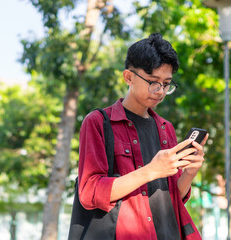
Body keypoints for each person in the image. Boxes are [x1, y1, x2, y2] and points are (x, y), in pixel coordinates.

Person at [78, 33, 208, 240]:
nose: (160, 91)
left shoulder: (166, 128)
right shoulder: (98, 122)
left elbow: (172, 197)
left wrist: (190, 173)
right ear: (128, 77)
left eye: (166, 84)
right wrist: (150, 171)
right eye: (153, 82)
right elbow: (89, 192)